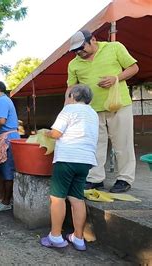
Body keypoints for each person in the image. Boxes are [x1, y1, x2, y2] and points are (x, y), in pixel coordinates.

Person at [67, 30, 139, 193]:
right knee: (94, 145)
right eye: (75, 50)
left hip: (119, 105)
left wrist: (116, 78)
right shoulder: (74, 64)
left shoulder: (114, 47)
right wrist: (68, 106)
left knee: (123, 143)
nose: (79, 52)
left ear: (92, 39)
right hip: (91, 110)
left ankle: (124, 179)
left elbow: (134, 68)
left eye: (81, 47)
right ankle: (95, 179)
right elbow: (71, 87)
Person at [40, 84, 99, 251]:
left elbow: (57, 133)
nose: (66, 99)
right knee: (77, 198)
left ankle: (56, 236)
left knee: (57, 198)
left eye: (67, 96)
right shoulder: (93, 113)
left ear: (73, 96)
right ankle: (78, 238)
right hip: (86, 161)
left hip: (67, 158)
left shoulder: (69, 110)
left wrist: (46, 133)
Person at [0, 81, 20, 212]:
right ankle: (2, 197)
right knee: (2, 170)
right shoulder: (3, 100)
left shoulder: (1, 100)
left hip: (7, 139)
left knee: (7, 172)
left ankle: (7, 202)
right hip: (6, 138)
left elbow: (1, 121)